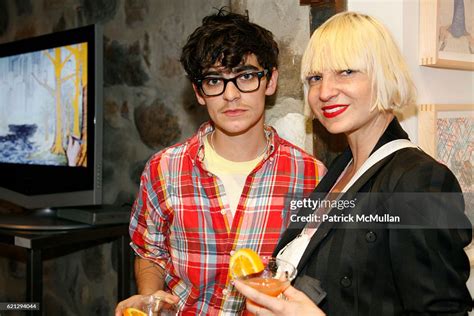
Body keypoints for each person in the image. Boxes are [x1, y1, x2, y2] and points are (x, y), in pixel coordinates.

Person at [235, 11, 472, 315]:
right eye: (316, 78)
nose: (325, 92)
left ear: (383, 74)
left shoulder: (419, 180)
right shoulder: (339, 169)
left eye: (346, 72)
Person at [115, 9, 326, 316]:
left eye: (245, 76)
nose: (230, 95)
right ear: (199, 92)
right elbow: (151, 252)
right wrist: (151, 299)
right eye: (215, 80)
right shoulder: (164, 169)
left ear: (270, 82)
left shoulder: (309, 176)